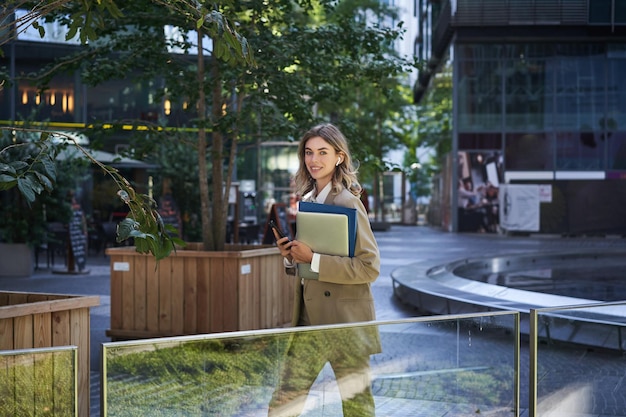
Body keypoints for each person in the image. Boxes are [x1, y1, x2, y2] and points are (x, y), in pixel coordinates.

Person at [268, 123, 381, 417]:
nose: (313, 160)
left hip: (345, 323)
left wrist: (314, 258)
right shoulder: (308, 200)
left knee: (357, 408)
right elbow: (310, 264)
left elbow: (369, 267)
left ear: (339, 157)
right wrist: (293, 257)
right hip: (309, 321)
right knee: (284, 400)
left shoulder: (348, 201)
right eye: (308, 152)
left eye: (322, 152)